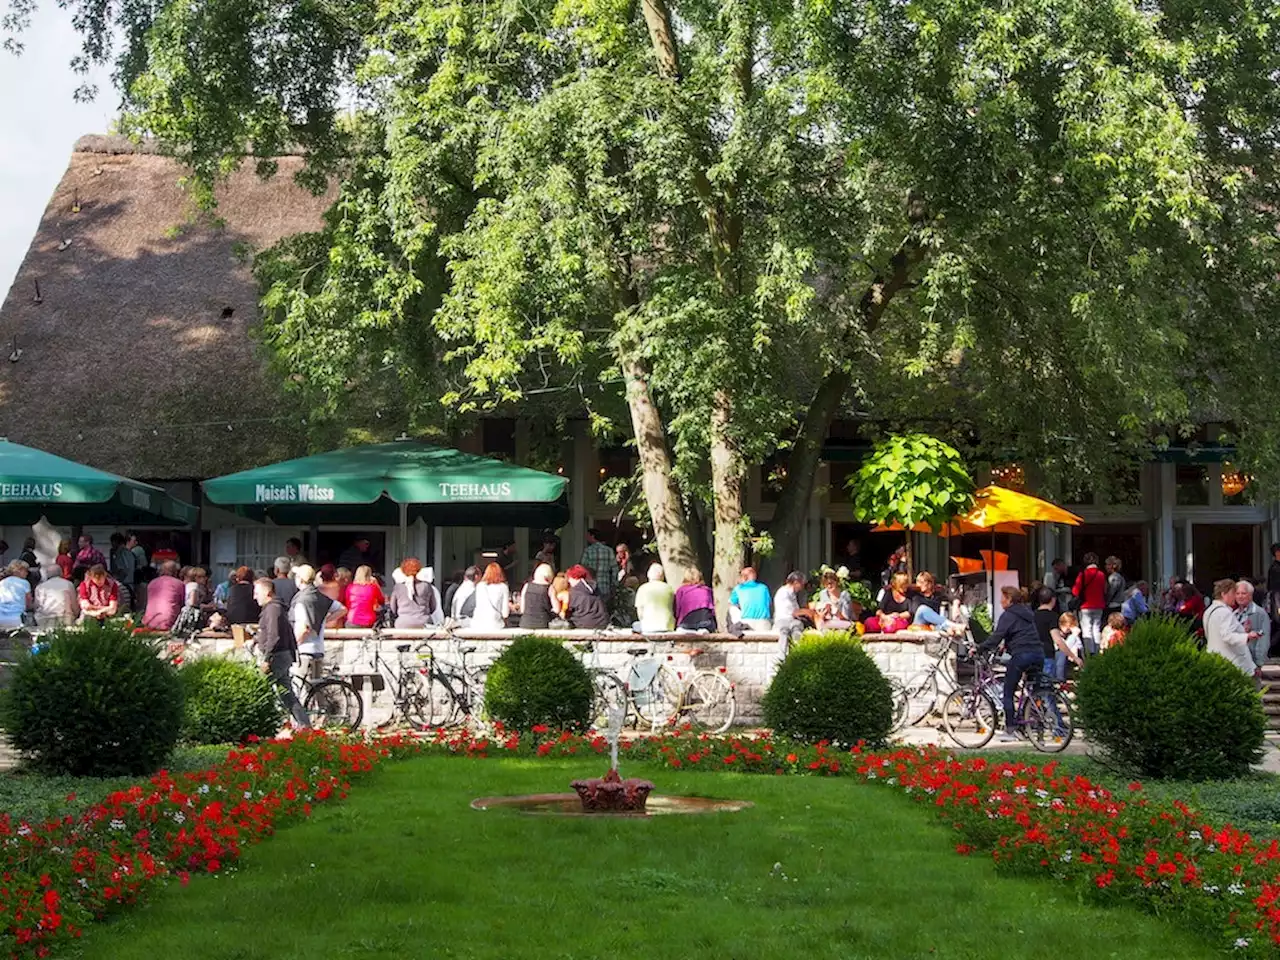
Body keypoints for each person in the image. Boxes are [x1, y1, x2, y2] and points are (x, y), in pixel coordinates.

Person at [975, 585, 1045, 741]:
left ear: (1009, 599)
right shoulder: (1027, 613)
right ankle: (1037, 730)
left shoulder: (1008, 615)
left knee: (1008, 692)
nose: (1000, 602)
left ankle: (1011, 729)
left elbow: (996, 637)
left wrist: (980, 649)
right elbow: (1019, 633)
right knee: (1034, 692)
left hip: (1022, 655)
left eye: (1002, 598)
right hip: (1038, 654)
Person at [253, 577, 310, 730]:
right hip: (283, 654)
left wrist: (266, 658)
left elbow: (274, 636)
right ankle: (305, 726)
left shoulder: (272, 609)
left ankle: (260, 726)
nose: (254, 596)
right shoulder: (274, 608)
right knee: (287, 694)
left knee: (259, 689)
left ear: (267, 592)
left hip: (276, 656)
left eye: (257, 592)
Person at [292, 564, 344, 679]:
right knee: (316, 689)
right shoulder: (319, 596)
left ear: (300, 579)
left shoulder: (302, 600)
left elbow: (304, 629)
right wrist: (324, 620)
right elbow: (342, 609)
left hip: (304, 650)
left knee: (303, 690)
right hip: (318, 649)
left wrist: (293, 644)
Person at [1204, 578, 1258, 678]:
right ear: (1224, 594)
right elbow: (1227, 636)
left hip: (1215, 658)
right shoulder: (1224, 612)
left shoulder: (1209, 611)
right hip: (1231, 663)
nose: (1235, 597)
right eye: (1233, 593)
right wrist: (1247, 636)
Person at [389, 558, 443, 628]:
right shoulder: (427, 586)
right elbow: (433, 607)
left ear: (402, 570)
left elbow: (393, 609)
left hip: (403, 624)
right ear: (419, 570)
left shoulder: (398, 587)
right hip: (424, 624)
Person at [1071, 552, 1106, 655]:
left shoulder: (1083, 574)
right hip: (1099, 605)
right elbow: (1105, 590)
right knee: (1096, 628)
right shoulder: (1101, 574)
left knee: (1087, 630)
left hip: (1085, 606)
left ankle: (1089, 653)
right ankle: (1097, 651)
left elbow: (1075, 591)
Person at [1235, 579, 1271, 669]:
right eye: (1237, 593)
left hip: (1252, 662)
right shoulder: (1233, 613)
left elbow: (1264, 640)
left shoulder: (1260, 613)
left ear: (1250, 595)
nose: (1240, 596)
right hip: (1236, 661)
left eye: (1243, 593)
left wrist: (1258, 663)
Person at [142, 560, 186, 631]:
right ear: (175, 572)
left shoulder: (151, 583)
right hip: (168, 622)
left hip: (149, 622)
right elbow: (183, 604)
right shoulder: (179, 584)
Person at [33, 562, 78, 628]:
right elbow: (74, 604)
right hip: (63, 617)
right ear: (61, 573)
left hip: (45, 618)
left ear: (47, 574)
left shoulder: (40, 587)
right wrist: (76, 615)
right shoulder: (68, 584)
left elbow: (36, 606)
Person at [634, 563, 676, 633]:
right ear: (662, 576)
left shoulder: (642, 588)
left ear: (648, 575)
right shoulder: (670, 588)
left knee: (635, 625)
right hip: (668, 626)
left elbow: (640, 613)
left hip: (648, 627)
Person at [580, 529, 618, 600]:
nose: (586, 537)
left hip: (591, 586)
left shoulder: (588, 551)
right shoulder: (609, 550)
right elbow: (614, 568)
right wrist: (614, 583)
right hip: (605, 585)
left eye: (588, 535)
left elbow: (582, 568)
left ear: (592, 536)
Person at [471, 563, 511, 630]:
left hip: (477, 624)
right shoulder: (503, 587)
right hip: (495, 625)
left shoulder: (480, 586)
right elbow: (505, 614)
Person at [1031, 586, 1060, 676]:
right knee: (1046, 685)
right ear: (1053, 600)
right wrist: (1074, 657)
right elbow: (1057, 640)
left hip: (1032, 654)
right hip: (1047, 653)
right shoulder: (1052, 616)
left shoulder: (1032, 615)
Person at [519, 564, 556, 630]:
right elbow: (557, 609)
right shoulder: (549, 588)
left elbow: (522, 609)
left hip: (526, 623)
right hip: (543, 623)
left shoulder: (527, 586)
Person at [0, 561, 33, 631]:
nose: (27, 573)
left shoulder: (2, 582)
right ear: (18, 570)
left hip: (1, 617)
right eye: (25, 570)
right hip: (18, 617)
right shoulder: (24, 583)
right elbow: (28, 602)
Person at [1055, 612, 1084, 679]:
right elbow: (1066, 646)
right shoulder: (1058, 634)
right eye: (1067, 628)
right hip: (1060, 656)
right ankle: (1060, 679)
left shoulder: (1072, 635)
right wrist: (1074, 635)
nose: (1068, 630)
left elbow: (1080, 646)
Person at [1103, 556, 1126, 621]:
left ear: (1114, 566)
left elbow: (1111, 592)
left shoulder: (1114, 577)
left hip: (1113, 605)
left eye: (1108, 564)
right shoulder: (1120, 577)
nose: (1106, 567)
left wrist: (1106, 602)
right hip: (1117, 604)